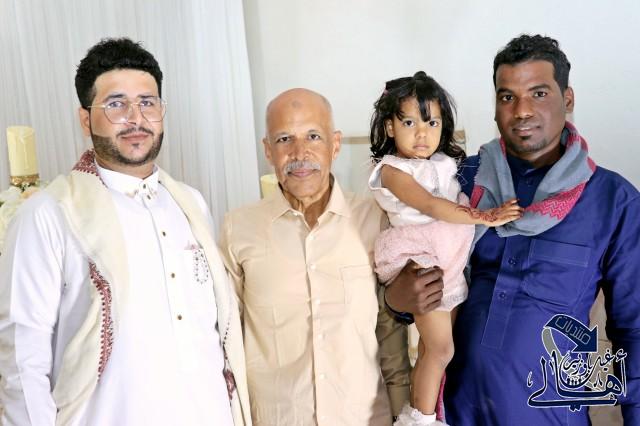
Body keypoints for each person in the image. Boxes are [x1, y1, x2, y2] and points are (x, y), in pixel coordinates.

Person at [0, 38, 250, 425]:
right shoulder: (49, 214)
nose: (136, 118)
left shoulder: (191, 203)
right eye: (116, 104)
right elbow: (22, 359)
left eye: (147, 102)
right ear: (86, 119)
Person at [438, 34, 640, 425]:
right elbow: (418, 283)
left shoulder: (614, 202)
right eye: (507, 96)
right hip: (455, 412)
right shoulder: (461, 181)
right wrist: (399, 299)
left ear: (568, 99)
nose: (522, 111)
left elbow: (634, 331)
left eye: (539, 93)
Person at [219, 88, 444, 425]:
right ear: (268, 150)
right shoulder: (237, 229)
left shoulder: (375, 220)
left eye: (313, 136)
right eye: (284, 139)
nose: (299, 153)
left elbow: (391, 340)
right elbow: (225, 347)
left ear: (335, 144)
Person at [368, 71, 522, 426]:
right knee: (441, 349)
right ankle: (420, 421)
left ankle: (428, 411)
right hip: (420, 258)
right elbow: (430, 205)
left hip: (449, 258)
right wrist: (486, 216)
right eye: (409, 122)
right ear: (390, 127)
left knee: (432, 350)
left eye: (432, 123)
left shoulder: (444, 163)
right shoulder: (391, 170)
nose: (422, 134)